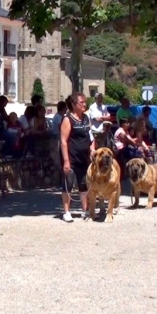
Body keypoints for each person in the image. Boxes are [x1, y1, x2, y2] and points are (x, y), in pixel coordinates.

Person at [60, 92, 95, 222]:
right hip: (71, 157)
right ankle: (66, 211)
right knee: (68, 184)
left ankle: (85, 210)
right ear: (74, 105)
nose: (84, 104)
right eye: (82, 102)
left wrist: (92, 150)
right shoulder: (67, 119)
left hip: (84, 157)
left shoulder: (86, 118)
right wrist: (66, 161)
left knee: (84, 184)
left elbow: (91, 137)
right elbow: (63, 141)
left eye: (85, 102)